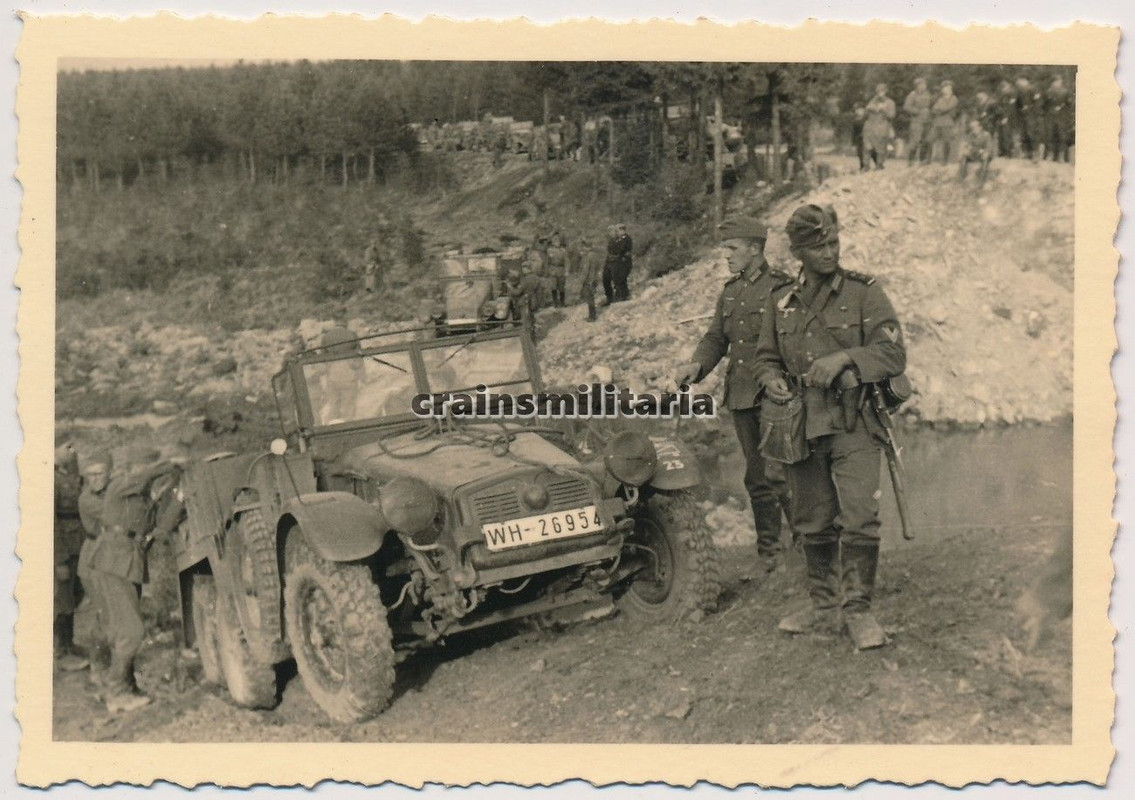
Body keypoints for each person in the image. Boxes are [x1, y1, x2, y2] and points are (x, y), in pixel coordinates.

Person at [755, 204, 906, 650]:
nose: (829, 252)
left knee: (860, 515)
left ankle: (857, 611)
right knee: (812, 519)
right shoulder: (781, 300)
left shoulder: (865, 293)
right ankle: (823, 606)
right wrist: (771, 379)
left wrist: (846, 358)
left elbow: (893, 355)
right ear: (799, 252)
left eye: (834, 243)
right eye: (819, 247)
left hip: (854, 420)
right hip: (801, 423)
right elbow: (765, 357)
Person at [674, 217, 795, 573]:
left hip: (776, 394)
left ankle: (807, 546)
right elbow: (716, 338)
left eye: (731, 248)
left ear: (755, 249)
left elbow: (794, 341)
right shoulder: (731, 291)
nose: (725, 255)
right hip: (742, 395)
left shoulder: (781, 288)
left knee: (782, 474)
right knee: (757, 477)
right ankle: (770, 554)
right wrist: (696, 366)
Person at [87, 453, 184, 712]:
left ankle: (121, 686)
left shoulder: (143, 503)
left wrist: (179, 497)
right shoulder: (119, 487)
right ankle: (117, 692)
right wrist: (170, 463)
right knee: (132, 631)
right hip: (114, 563)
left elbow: (162, 529)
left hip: (128, 565)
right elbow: (143, 476)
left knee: (122, 630)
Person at [77, 448, 113, 681]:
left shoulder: (109, 492)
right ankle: (99, 669)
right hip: (94, 562)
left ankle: (110, 666)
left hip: (108, 559)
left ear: (110, 473)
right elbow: (117, 515)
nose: (95, 479)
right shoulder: (87, 499)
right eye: (90, 475)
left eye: (99, 473)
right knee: (104, 614)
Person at [54, 443, 89, 672]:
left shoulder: (73, 477)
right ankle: (60, 651)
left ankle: (70, 643)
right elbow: (50, 522)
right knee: (62, 599)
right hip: (64, 548)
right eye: (66, 447)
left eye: (74, 447)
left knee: (76, 594)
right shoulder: (53, 480)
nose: (72, 451)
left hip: (78, 545)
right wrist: (59, 559)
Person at [862, 84, 896, 169]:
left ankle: (879, 165)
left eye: (882, 91)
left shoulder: (890, 102)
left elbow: (892, 115)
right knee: (867, 147)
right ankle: (866, 166)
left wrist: (884, 110)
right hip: (870, 127)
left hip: (882, 128)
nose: (880, 93)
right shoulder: (872, 101)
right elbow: (865, 115)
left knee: (880, 148)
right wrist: (869, 108)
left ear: (885, 91)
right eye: (878, 91)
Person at [902, 78, 932, 165]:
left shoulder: (928, 94)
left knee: (925, 140)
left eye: (924, 85)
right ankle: (911, 160)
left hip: (926, 120)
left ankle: (923, 160)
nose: (923, 86)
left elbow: (931, 105)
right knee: (915, 141)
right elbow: (906, 107)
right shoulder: (912, 95)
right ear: (917, 86)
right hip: (916, 121)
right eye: (921, 85)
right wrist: (918, 111)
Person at [929, 81, 960, 164]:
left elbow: (947, 108)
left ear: (951, 89)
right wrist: (939, 109)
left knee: (947, 142)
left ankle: (945, 160)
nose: (944, 90)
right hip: (937, 122)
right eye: (944, 88)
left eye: (947, 88)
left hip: (947, 122)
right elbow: (933, 110)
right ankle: (927, 160)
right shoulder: (939, 99)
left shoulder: (954, 98)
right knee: (930, 140)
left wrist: (939, 109)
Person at [1045, 75, 1074, 163]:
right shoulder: (1048, 92)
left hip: (1062, 117)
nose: (1057, 83)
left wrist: (1063, 109)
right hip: (1050, 117)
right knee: (1050, 136)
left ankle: (1061, 157)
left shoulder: (1065, 92)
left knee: (1062, 136)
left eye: (1058, 81)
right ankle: (1050, 155)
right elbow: (1045, 105)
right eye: (1055, 81)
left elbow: (1070, 105)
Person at [959, 118, 995, 186]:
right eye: (972, 128)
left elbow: (989, 148)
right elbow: (968, 146)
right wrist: (977, 150)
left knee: (985, 158)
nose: (974, 129)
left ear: (980, 127)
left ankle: (981, 182)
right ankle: (962, 179)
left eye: (975, 127)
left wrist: (985, 152)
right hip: (974, 155)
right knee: (964, 156)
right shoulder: (971, 135)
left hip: (983, 156)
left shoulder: (986, 135)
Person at [1015, 76, 1044, 160]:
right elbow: (1017, 104)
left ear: (1025, 81)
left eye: (1020, 82)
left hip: (1033, 116)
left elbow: (1038, 103)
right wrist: (1021, 111)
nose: (1019, 85)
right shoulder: (1020, 92)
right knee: (1024, 134)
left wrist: (1030, 109)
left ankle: (1035, 153)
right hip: (1024, 116)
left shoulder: (1033, 89)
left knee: (1032, 134)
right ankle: (1026, 153)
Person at [605, 223, 634, 303]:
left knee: (621, 278)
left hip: (625, 261)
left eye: (617, 230)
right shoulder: (620, 239)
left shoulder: (625, 238)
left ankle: (623, 296)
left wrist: (616, 252)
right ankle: (622, 295)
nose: (617, 232)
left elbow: (620, 249)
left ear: (622, 230)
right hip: (621, 261)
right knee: (619, 278)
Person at [575, 237, 602, 322]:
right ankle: (593, 315)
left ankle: (592, 316)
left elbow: (585, 270)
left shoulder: (587, 257)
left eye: (583, 246)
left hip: (589, 280)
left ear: (585, 246)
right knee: (592, 296)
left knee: (589, 297)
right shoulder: (596, 255)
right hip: (595, 279)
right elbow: (598, 267)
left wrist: (580, 281)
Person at [995, 79, 1019, 158]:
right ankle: (1003, 151)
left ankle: (1009, 152)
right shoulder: (1002, 96)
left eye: (1005, 87)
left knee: (1008, 134)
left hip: (1011, 118)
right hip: (1002, 117)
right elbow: (999, 106)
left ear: (1009, 86)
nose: (1003, 89)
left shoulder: (1013, 94)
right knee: (1001, 135)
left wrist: (1006, 117)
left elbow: (1011, 107)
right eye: (1002, 87)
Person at [546, 231, 568, 308]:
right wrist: (547, 271)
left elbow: (567, 261)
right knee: (553, 286)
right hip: (552, 270)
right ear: (552, 242)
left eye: (558, 240)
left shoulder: (563, 250)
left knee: (562, 287)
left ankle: (562, 302)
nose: (556, 242)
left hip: (561, 269)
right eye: (555, 241)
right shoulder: (549, 250)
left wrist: (567, 271)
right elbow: (547, 262)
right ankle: (555, 302)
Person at [850, 104, 867, 171]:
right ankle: (862, 165)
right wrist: (853, 143)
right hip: (859, 138)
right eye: (857, 110)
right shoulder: (855, 120)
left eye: (861, 110)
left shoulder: (867, 119)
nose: (859, 111)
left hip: (867, 137)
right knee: (860, 152)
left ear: (863, 110)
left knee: (867, 152)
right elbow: (854, 132)